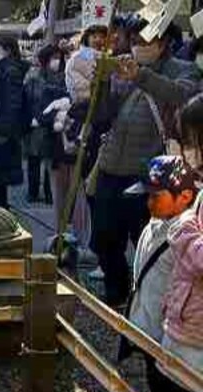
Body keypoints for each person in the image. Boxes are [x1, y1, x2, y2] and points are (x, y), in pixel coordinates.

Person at [92, 20, 200, 306]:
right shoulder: (122, 67)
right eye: (135, 40)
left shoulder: (182, 69)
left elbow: (182, 95)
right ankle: (117, 293)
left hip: (151, 174)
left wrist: (141, 76)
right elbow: (102, 114)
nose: (138, 46)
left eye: (145, 40)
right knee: (103, 237)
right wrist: (100, 82)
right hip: (111, 165)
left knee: (147, 241)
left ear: (162, 43)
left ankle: (147, 301)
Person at [116, 157, 199, 392]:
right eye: (147, 195)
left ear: (185, 197)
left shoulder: (185, 236)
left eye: (157, 195)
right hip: (146, 325)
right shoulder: (154, 223)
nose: (149, 202)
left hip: (166, 334)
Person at [0, 36, 28, 209]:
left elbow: (12, 103)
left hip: (2, 128)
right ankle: (0, 205)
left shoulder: (10, 71)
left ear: (7, 50)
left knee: (0, 174)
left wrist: (4, 130)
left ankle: (2, 207)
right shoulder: (2, 69)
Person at [24, 44, 65, 205]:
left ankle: (50, 194)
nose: (56, 61)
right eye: (53, 58)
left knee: (51, 161)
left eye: (58, 58)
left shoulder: (62, 77)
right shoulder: (34, 77)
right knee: (34, 160)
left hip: (54, 124)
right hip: (36, 125)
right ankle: (32, 192)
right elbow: (27, 99)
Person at [65, 25, 108, 103]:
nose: (98, 40)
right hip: (85, 102)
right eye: (94, 37)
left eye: (102, 37)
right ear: (87, 38)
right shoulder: (78, 57)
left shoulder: (103, 56)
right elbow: (78, 83)